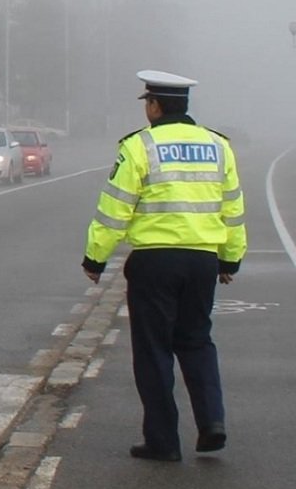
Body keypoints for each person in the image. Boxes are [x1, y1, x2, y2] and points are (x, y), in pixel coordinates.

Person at [81, 70, 247, 462]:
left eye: (147, 104)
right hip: (203, 260)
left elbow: (114, 210)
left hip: (155, 262)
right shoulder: (218, 146)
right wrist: (230, 259)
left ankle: (163, 441)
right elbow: (233, 209)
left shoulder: (140, 146)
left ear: (154, 106)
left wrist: (95, 257)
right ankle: (212, 423)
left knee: (154, 350)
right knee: (197, 341)